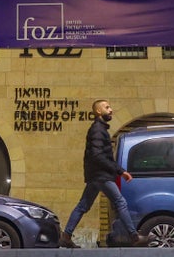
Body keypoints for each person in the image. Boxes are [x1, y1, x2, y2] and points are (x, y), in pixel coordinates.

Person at [59, 99, 150, 248]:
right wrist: (121, 171)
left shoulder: (100, 129)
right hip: (101, 176)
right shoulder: (98, 130)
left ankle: (66, 236)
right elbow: (97, 155)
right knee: (120, 202)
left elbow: (98, 155)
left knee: (83, 206)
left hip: (96, 176)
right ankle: (134, 237)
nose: (111, 110)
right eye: (107, 107)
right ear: (98, 111)